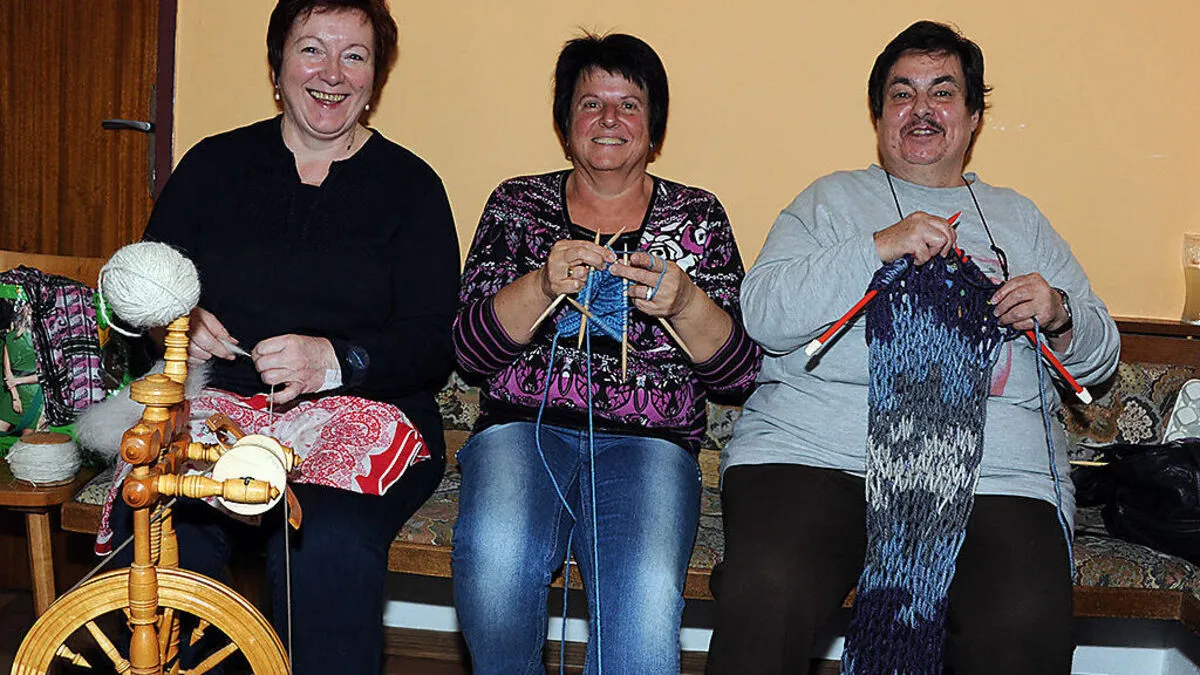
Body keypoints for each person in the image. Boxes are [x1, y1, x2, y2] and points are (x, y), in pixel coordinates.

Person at [707, 21, 1120, 675]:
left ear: (974, 116)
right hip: (820, 456)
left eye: (943, 92)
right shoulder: (830, 201)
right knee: (768, 595)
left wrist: (1059, 313)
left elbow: (1100, 359)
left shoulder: (1019, 219)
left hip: (992, 476)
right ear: (878, 116)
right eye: (902, 93)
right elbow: (762, 314)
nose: (921, 108)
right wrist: (877, 247)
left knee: (1021, 627)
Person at [102, 1, 460, 673]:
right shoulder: (212, 165)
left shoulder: (411, 187)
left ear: (375, 78)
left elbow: (434, 339)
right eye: (311, 49)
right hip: (213, 406)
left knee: (324, 542)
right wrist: (172, 323)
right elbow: (145, 284)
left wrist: (334, 359)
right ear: (277, 66)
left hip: (365, 412)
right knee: (159, 526)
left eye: (355, 55)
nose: (333, 73)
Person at [451, 32, 761, 674]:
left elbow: (739, 375)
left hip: (651, 444)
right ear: (566, 123)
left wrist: (685, 302)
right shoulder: (517, 205)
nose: (610, 119)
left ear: (654, 126)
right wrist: (540, 285)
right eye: (591, 103)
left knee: (644, 603)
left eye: (629, 104)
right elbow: (468, 354)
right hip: (521, 430)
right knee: (496, 559)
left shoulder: (697, 216)